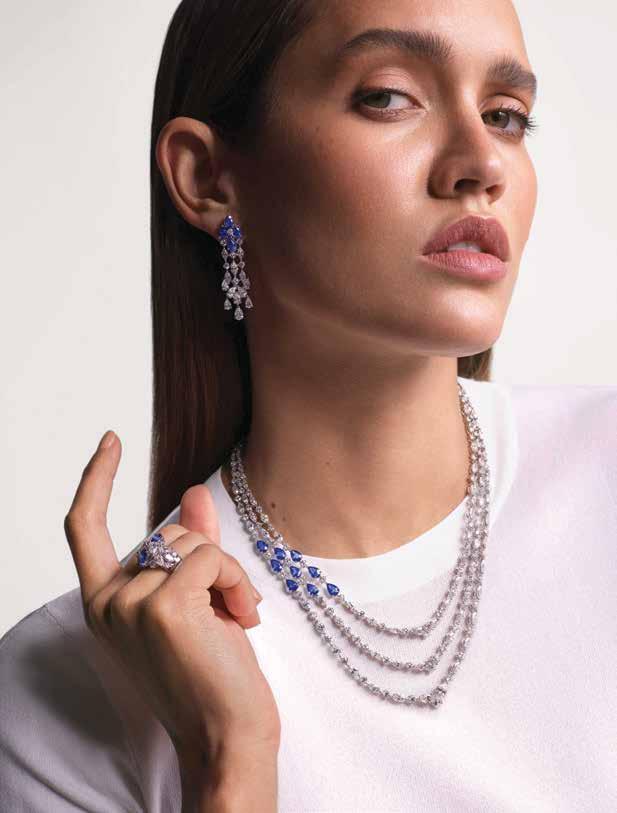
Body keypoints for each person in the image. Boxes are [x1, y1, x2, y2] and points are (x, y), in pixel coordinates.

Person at [1, 0, 616, 811]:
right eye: (388, 97)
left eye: (504, 115)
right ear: (206, 178)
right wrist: (229, 756)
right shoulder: (66, 695)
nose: (481, 164)